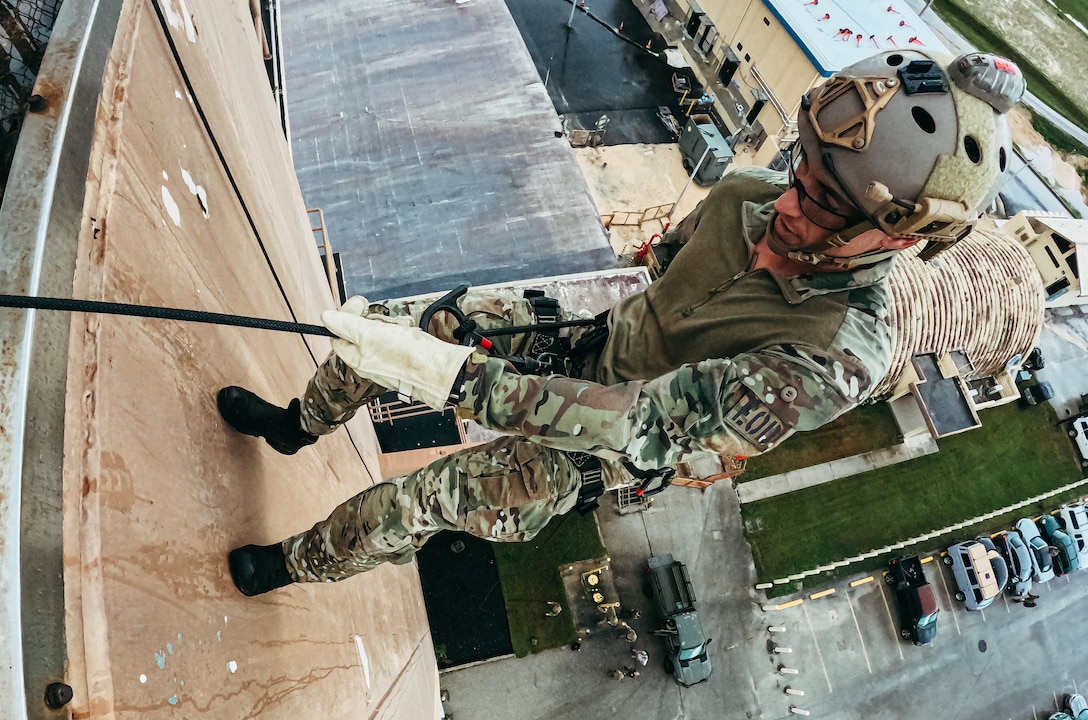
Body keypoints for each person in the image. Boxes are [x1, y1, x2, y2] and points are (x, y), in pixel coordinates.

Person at [221, 50, 1025, 596]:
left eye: (818, 201)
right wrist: (442, 346)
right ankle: (298, 425)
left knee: (417, 501)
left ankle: (298, 563)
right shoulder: (750, 193)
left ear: (897, 235)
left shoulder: (834, 355)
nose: (784, 201)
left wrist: (457, 380)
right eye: (799, 168)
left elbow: (641, 425)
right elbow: (663, 263)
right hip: (599, 341)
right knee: (402, 328)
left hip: (615, 444)